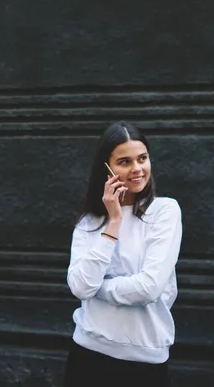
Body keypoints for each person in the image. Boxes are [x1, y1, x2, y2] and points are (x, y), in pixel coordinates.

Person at [63, 122, 183, 387]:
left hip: (145, 363)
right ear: (106, 169)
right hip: (87, 357)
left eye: (142, 158)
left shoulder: (164, 212)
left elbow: (149, 288)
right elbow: (81, 287)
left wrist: (100, 289)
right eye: (124, 162)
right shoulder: (89, 221)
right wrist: (113, 222)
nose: (137, 169)